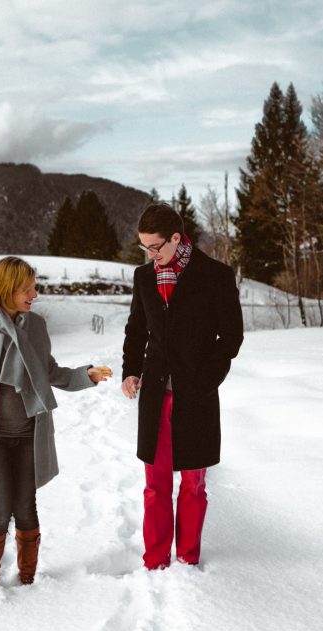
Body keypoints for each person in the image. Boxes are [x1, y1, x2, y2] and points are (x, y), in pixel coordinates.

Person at [0, 256, 112, 585]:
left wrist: (86, 375)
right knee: (1, 504)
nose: (34, 294)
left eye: (34, 287)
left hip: (28, 435)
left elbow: (48, 372)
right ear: (6, 289)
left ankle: (29, 580)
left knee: (26, 506)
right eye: (27, 288)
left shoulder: (36, 327)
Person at [121, 202, 244, 569]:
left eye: (155, 247)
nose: (150, 255)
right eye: (144, 247)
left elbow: (231, 338)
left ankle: (188, 558)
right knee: (155, 484)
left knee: (193, 484)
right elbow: (136, 329)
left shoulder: (216, 276)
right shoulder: (145, 277)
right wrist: (130, 370)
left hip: (197, 396)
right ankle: (155, 561)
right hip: (156, 394)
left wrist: (208, 379)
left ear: (177, 238)